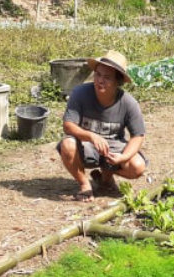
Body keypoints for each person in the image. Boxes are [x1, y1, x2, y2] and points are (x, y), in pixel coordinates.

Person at [57, 50, 147, 201]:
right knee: (67, 144)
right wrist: (91, 136)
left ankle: (105, 179)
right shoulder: (80, 93)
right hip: (85, 145)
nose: (100, 80)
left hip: (113, 149)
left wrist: (123, 157)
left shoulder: (128, 103)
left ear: (118, 82)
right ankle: (85, 185)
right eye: (98, 75)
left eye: (107, 77)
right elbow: (68, 125)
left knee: (137, 167)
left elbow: (138, 136)